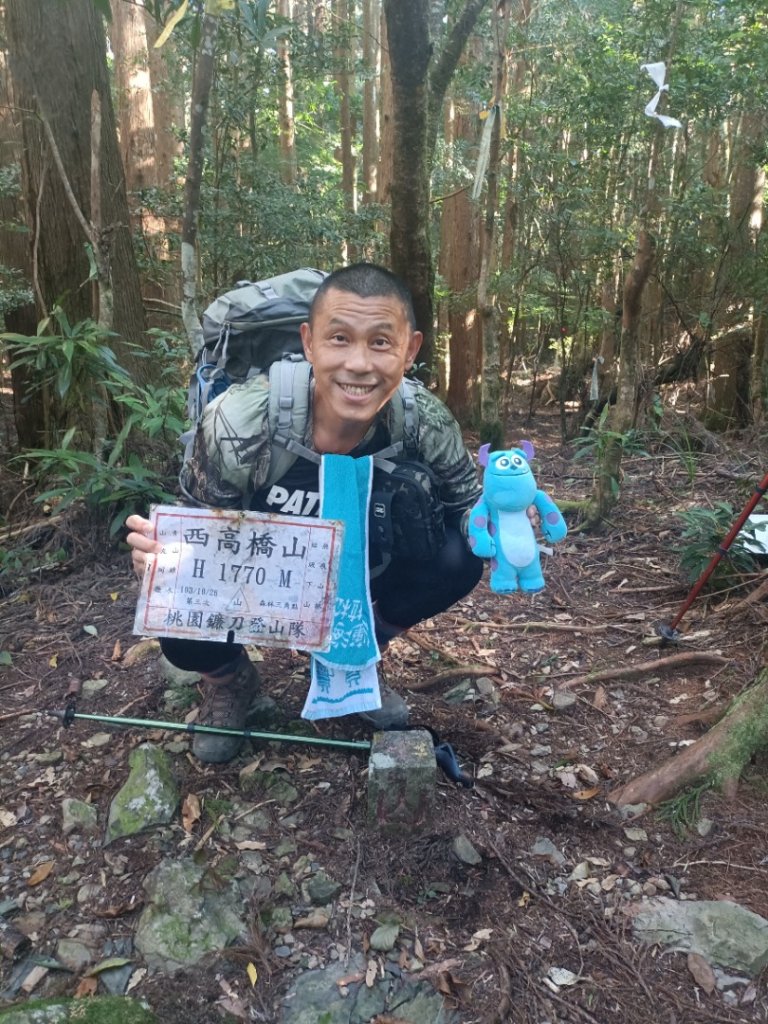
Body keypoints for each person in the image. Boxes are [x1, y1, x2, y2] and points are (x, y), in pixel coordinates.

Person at [126, 263, 483, 763]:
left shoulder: (420, 418)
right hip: (258, 582)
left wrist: (505, 526)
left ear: (410, 349)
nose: (359, 364)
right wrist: (164, 558)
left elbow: (468, 505)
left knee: (461, 557)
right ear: (309, 343)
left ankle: (349, 659)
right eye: (339, 338)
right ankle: (230, 680)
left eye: (381, 342)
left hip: (362, 572)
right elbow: (200, 525)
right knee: (176, 608)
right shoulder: (241, 420)